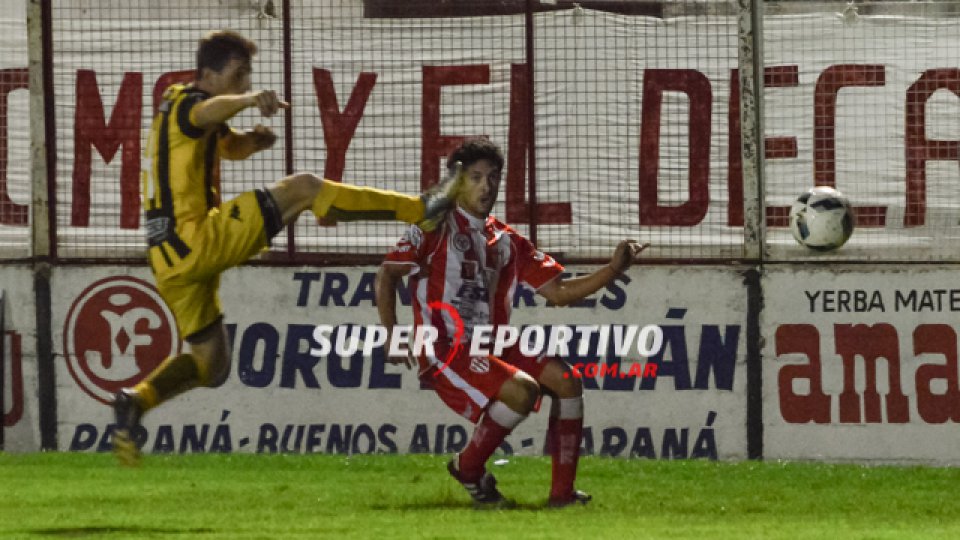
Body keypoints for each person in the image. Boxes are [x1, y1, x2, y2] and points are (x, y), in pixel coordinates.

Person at [112, 29, 462, 466]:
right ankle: (422, 209)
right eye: (238, 74)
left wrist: (251, 142)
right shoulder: (191, 104)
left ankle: (135, 401)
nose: (244, 82)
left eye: (248, 75)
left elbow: (222, 142)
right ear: (207, 74)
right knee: (304, 187)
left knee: (211, 365)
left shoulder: (173, 99)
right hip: (196, 239)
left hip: (168, 260)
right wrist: (247, 99)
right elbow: (206, 112)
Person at [375, 138, 648, 507]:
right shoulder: (433, 226)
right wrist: (392, 336)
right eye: (475, 177)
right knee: (522, 390)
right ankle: (469, 468)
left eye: (493, 177)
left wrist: (614, 269)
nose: (486, 186)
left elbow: (558, 292)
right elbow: (387, 275)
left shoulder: (505, 239)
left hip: (492, 342)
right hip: (445, 348)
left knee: (568, 381)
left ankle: (562, 496)